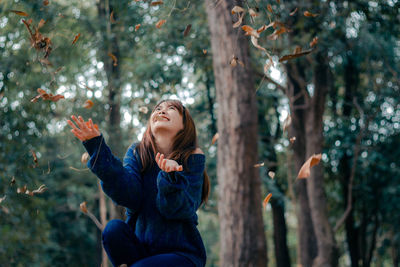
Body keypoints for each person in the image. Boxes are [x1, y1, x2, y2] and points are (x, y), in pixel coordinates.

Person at [67, 99, 210, 267]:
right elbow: (129, 196)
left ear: (185, 125)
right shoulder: (137, 151)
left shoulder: (192, 157)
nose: (161, 111)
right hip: (141, 251)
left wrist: (170, 177)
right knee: (113, 230)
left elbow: (179, 210)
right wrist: (96, 148)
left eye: (171, 108)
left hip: (181, 254)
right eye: (158, 108)